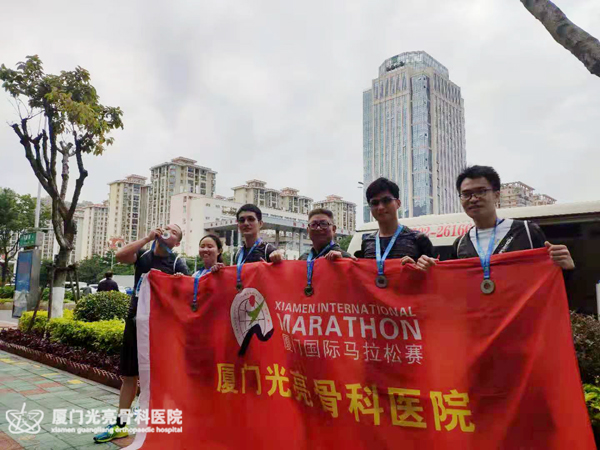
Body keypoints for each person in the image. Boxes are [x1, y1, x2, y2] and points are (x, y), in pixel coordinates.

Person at [94, 224, 189, 443]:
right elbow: (120, 255)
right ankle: (121, 424)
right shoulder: (144, 256)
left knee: (161, 376)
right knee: (129, 375)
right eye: (166, 228)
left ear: (177, 243)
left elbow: (188, 296)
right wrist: (147, 238)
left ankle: (160, 425)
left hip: (161, 329)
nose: (168, 231)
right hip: (135, 322)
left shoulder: (178, 263)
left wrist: (179, 283)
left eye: (174, 232)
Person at [415, 165, 575, 271]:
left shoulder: (527, 231)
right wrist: (428, 269)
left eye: (481, 191)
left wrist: (566, 267)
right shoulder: (460, 244)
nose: (473, 199)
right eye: (466, 194)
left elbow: (551, 279)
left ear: (497, 195)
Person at [360, 177, 434, 265]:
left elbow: (434, 271)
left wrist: (416, 268)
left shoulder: (418, 239)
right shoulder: (367, 242)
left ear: (398, 203)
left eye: (386, 200)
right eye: (374, 203)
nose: (380, 207)